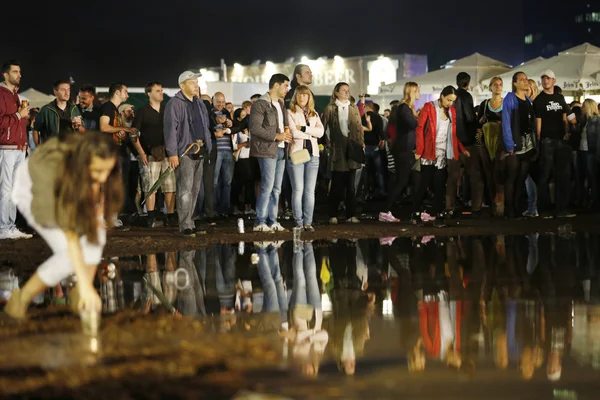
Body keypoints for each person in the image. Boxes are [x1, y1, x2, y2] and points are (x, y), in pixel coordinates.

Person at [5, 132, 123, 320]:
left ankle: (80, 292)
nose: (103, 178)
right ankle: (21, 299)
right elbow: (70, 236)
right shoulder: (60, 170)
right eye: (98, 172)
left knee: (97, 231)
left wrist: (87, 286)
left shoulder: (94, 166)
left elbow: (94, 232)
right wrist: (84, 284)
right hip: (34, 190)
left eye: (107, 171)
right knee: (67, 255)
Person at [412, 86, 469, 228]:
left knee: (439, 185)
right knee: (424, 184)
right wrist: (419, 149)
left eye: (452, 101)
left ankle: (438, 215)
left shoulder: (452, 112)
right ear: (442, 96)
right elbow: (419, 128)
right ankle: (416, 213)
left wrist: (461, 149)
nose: (450, 103)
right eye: (448, 100)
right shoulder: (429, 107)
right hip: (428, 152)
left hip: (442, 153)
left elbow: (453, 133)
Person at [163, 71, 212, 237]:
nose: (196, 85)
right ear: (182, 85)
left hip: (200, 151)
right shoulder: (174, 104)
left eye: (196, 82)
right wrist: (172, 153)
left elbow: (205, 127)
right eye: (192, 82)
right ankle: (185, 225)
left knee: (195, 189)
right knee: (185, 190)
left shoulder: (199, 103)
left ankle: (189, 221)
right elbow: (170, 130)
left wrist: (208, 146)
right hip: (185, 152)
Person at [249, 74, 292, 232]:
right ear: (276, 85)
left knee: (276, 188)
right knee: (267, 186)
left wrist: (285, 134)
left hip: (281, 149)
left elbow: (282, 125)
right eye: (285, 85)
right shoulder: (261, 104)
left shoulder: (281, 104)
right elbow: (255, 128)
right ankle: (259, 222)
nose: (287, 89)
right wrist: (276, 136)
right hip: (267, 149)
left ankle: (272, 220)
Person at [134, 81, 177, 227]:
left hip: (167, 153)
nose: (161, 92)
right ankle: (151, 216)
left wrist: (173, 152)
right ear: (149, 93)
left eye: (161, 90)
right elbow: (133, 133)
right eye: (157, 90)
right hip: (149, 154)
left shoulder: (167, 110)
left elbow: (173, 131)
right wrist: (141, 152)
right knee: (150, 186)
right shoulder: (142, 111)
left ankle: (170, 215)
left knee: (170, 186)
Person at [322, 82, 364, 224]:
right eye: (344, 90)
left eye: (348, 90)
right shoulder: (330, 108)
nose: (347, 92)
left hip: (352, 148)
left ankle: (351, 214)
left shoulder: (353, 108)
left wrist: (360, 143)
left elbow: (359, 127)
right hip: (338, 149)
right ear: (336, 93)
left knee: (351, 185)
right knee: (337, 184)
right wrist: (327, 143)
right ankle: (332, 214)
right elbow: (323, 127)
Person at [533, 70, 573, 218]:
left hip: (561, 140)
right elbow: (538, 123)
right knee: (545, 175)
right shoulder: (539, 100)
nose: (545, 81)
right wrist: (539, 141)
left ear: (554, 81)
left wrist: (575, 121)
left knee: (563, 175)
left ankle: (562, 208)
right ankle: (544, 209)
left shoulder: (560, 97)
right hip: (547, 140)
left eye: (548, 78)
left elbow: (568, 113)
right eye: (543, 78)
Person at [0, 60, 32, 240]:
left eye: (20, 71)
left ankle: (10, 226)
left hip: (18, 148)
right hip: (6, 147)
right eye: (15, 72)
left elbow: (18, 123)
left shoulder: (16, 95)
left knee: (13, 189)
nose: (19, 75)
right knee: (5, 189)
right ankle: (3, 228)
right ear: (5, 75)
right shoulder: (1, 94)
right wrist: (19, 114)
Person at [379, 82, 419, 223]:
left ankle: (416, 210)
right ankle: (385, 210)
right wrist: (418, 117)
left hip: (405, 148)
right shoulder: (404, 108)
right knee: (402, 180)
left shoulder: (407, 108)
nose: (419, 92)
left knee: (408, 179)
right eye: (417, 90)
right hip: (403, 149)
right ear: (412, 91)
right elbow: (412, 124)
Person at [287, 85, 324, 231]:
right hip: (297, 153)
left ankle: (308, 222)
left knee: (310, 191)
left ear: (309, 97)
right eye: (300, 95)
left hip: (313, 154)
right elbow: (294, 134)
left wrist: (304, 129)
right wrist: (311, 134)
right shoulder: (290, 112)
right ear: (295, 96)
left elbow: (321, 133)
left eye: (305, 95)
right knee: (298, 190)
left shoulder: (314, 114)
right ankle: (299, 222)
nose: (302, 97)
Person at [448, 72, 484, 218]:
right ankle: (476, 207)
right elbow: (469, 117)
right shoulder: (466, 96)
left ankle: (449, 207)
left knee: (452, 177)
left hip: (453, 141)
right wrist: (478, 123)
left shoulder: (452, 96)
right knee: (475, 175)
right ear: (468, 83)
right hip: (467, 141)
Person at [502, 72, 537, 219]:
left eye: (526, 79)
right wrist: (509, 143)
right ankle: (509, 209)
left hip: (528, 142)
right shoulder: (510, 98)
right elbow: (506, 122)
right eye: (521, 79)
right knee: (512, 176)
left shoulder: (528, 100)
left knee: (522, 176)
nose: (525, 81)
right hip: (516, 142)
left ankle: (515, 207)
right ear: (515, 83)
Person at [478, 77, 506, 217]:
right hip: (486, 142)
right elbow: (478, 123)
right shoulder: (485, 104)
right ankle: (492, 203)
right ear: (490, 87)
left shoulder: (506, 103)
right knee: (488, 173)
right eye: (495, 85)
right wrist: (482, 121)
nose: (498, 87)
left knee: (499, 172)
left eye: (500, 84)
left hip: (501, 142)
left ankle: (500, 202)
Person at [33, 79, 83, 145]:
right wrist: (39, 148)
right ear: (55, 92)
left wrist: (79, 125)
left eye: (68, 89)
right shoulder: (46, 110)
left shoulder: (74, 108)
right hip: (53, 149)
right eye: (63, 90)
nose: (67, 93)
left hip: (70, 148)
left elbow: (81, 129)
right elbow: (35, 130)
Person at [578, 99, 600, 207]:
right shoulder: (584, 120)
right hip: (583, 150)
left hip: (590, 151)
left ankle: (593, 198)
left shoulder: (596, 120)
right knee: (587, 175)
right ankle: (588, 198)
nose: (582, 108)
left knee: (592, 176)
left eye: (584, 106)